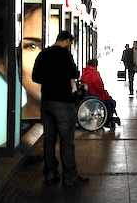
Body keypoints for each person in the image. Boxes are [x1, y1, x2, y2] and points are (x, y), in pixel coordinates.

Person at [32, 31, 89, 187]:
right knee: (66, 140)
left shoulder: (43, 54)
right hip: (63, 102)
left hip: (47, 101)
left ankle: (50, 174)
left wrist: (50, 79)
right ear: (68, 41)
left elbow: (35, 77)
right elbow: (74, 73)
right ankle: (70, 176)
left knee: (49, 139)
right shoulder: (64, 54)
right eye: (70, 43)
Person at [80, 59, 118, 126]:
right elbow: (98, 86)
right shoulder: (94, 72)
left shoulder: (85, 72)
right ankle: (108, 119)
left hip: (89, 94)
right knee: (112, 102)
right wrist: (105, 93)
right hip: (95, 94)